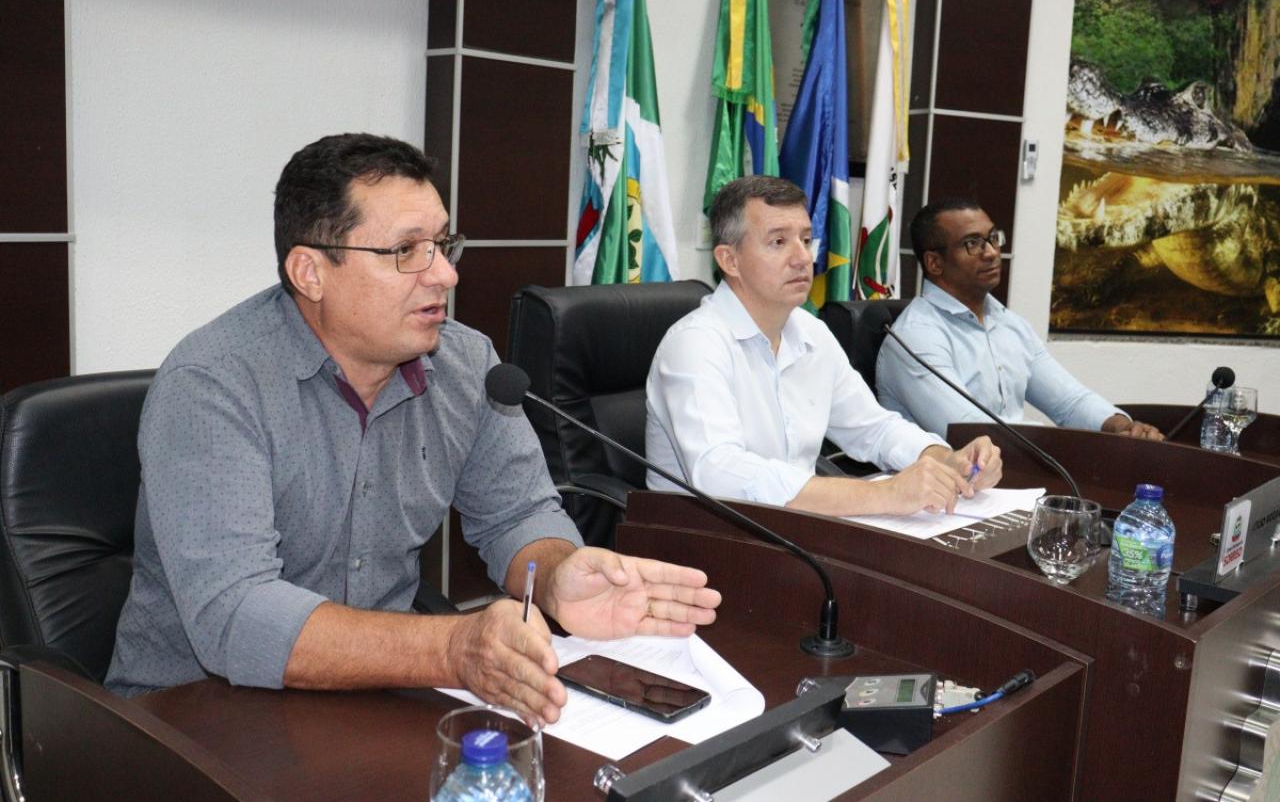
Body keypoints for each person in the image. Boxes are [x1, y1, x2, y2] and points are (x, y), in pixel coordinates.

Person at [106, 133, 720, 727]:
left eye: (443, 245)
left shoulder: (466, 364)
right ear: (310, 272)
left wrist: (558, 576)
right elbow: (237, 617)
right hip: (193, 719)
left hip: (374, 701)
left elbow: (516, 515)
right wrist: (453, 647)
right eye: (406, 251)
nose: (445, 275)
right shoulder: (212, 384)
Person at [644, 175, 1002, 519]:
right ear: (729, 260)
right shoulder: (695, 344)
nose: (803, 258)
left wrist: (945, 459)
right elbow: (718, 473)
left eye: (805, 239)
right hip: (704, 539)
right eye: (778, 242)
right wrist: (885, 494)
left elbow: (873, 428)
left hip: (796, 532)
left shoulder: (811, 333)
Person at [876, 198, 1163, 441]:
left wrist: (1121, 427)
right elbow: (969, 432)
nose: (991, 253)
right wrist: (1057, 444)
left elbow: (1069, 402)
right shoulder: (915, 337)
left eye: (992, 238)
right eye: (972, 244)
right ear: (934, 262)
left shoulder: (1010, 325)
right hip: (943, 483)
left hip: (1013, 474)